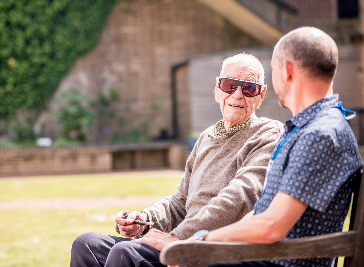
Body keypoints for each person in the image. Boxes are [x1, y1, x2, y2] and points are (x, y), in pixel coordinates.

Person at [70, 53, 284, 267]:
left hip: (213, 248)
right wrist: (146, 219)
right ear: (217, 89)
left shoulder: (268, 134)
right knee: (86, 245)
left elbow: (240, 197)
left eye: (248, 88)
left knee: (126, 253)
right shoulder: (207, 137)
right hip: (184, 240)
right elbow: (182, 201)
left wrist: (178, 238)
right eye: (229, 85)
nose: (237, 95)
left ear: (261, 94)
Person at [181, 27, 363, 267]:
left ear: (286, 70)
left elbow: (271, 227)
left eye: (274, 70)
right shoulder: (308, 128)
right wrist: (202, 241)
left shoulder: (320, 135)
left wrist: (202, 241)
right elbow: (263, 215)